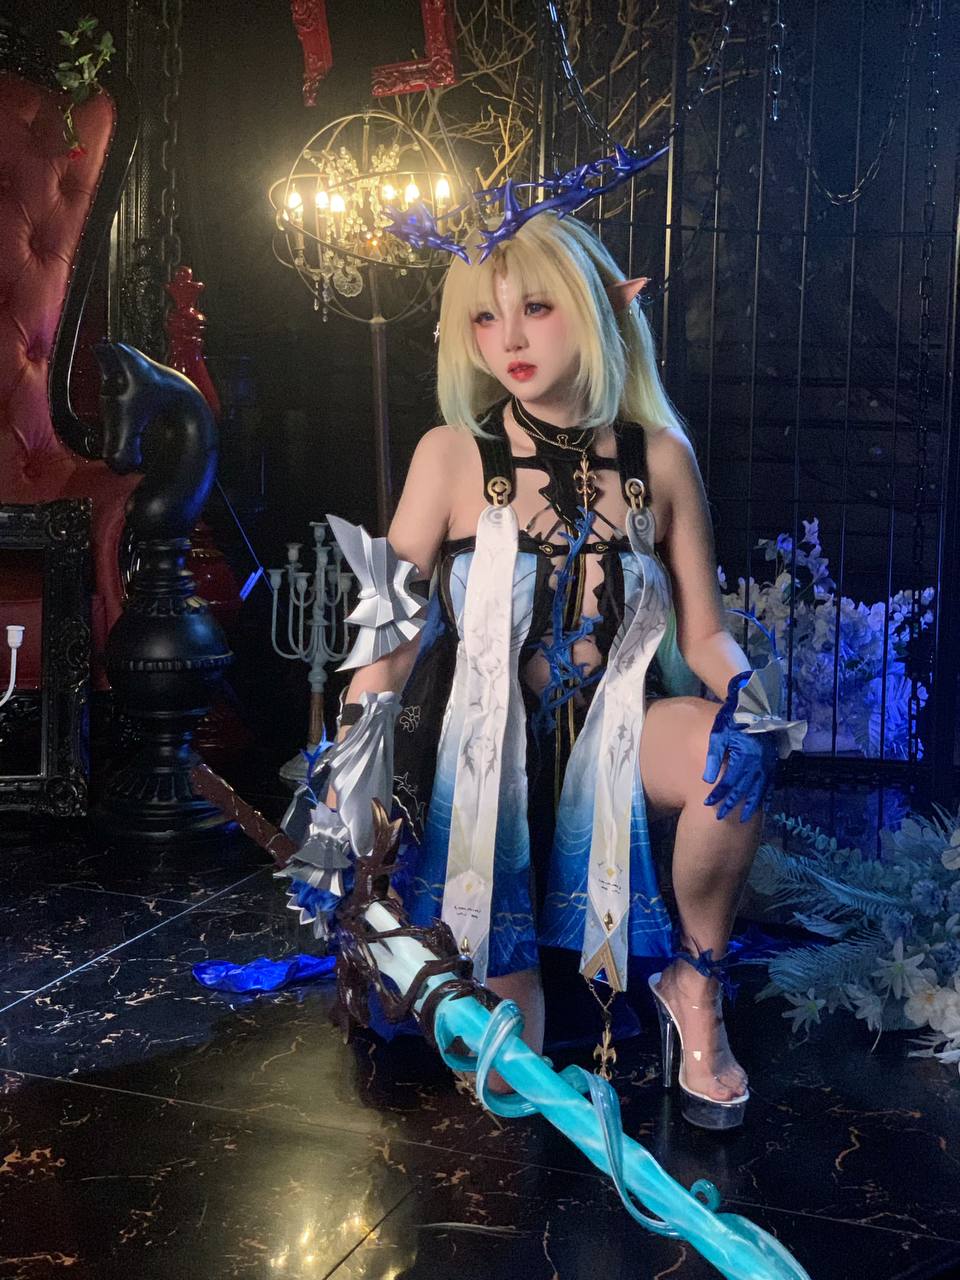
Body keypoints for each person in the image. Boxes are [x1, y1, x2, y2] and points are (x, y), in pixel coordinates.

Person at [294, 212, 803, 1129]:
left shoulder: (659, 460)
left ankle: (695, 987)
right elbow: (390, 636)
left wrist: (748, 706)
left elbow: (705, 636)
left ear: (603, 308)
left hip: (618, 739)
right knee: (507, 1078)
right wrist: (350, 765)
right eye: (486, 318)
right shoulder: (451, 455)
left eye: (536, 308)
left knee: (730, 758)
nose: (511, 341)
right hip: (480, 770)